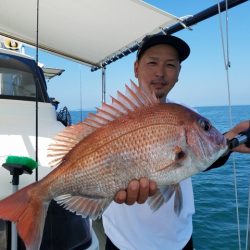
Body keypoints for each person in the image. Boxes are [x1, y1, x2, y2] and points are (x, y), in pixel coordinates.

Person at [101, 34, 250, 250]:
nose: (160, 72)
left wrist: (231, 139)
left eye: (170, 65)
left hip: (179, 239)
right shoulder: (110, 122)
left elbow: (199, 159)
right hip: (124, 242)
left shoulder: (187, 115)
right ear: (136, 68)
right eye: (152, 62)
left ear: (178, 73)